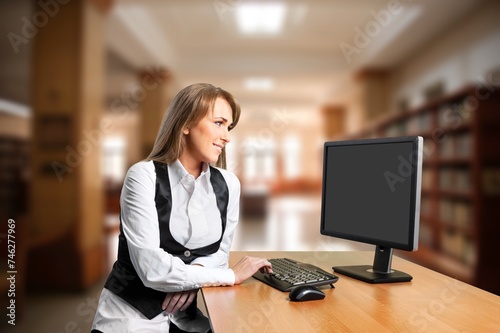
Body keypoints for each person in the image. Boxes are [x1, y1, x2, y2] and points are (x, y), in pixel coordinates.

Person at [91, 83, 272, 333]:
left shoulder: (229, 184)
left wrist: (186, 280)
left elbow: (219, 255)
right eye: (218, 123)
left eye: (229, 127)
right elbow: (151, 269)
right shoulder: (142, 176)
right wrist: (231, 275)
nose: (227, 136)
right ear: (185, 124)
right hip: (130, 317)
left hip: (185, 318)